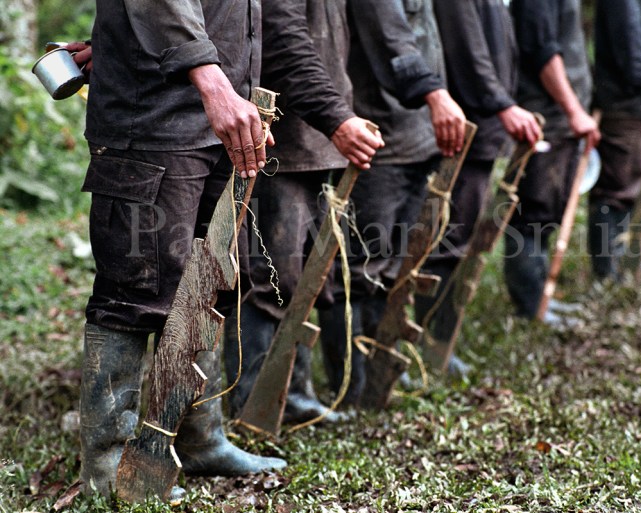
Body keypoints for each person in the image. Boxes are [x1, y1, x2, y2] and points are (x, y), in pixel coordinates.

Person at [69, 0, 286, 498]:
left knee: (206, 277)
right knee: (134, 289)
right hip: (154, 121)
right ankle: (110, 469)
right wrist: (213, 84)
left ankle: (198, 439)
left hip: (216, 121)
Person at [222, 0, 384, 423]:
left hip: (315, 143)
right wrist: (335, 118)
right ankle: (253, 400)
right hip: (286, 142)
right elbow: (284, 40)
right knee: (271, 277)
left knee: (302, 277)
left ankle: (292, 391)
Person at [318, 0, 466, 405]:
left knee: (395, 267)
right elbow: (391, 37)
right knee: (361, 270)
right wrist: (435, 95)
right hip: (379, 137)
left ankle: (378, 381)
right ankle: (350, 389)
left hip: (418, 138)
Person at [412, 0, 542, 374]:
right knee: (446, 242)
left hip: (482, 124)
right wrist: (502, 104)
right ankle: (429, 346)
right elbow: (467, 48)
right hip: (463, 124)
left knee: (458, 240)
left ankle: (441, 342)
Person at [504, 0, 599, 319]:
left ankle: (540, 298)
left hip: (560, 117)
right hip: (547, 117)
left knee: (545, 214)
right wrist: (573, 110)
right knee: (532, 213)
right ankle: (530, 306)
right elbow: (541, 48)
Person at [590, 0, 641, 280]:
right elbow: (628, 38)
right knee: (615, 191)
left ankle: (622, 262)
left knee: (630, 187)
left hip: (637, 101)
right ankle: (607, 272)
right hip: (625, 101)